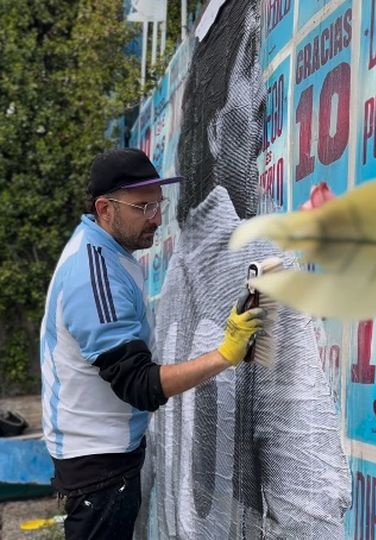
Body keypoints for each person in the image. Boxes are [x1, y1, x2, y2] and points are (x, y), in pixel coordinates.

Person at [40, 148, 265, 540]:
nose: (157, 218)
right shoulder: (94, 276)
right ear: (105, 209)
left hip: (103, 451)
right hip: (98, 463)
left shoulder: (110, 250)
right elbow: (140, 385)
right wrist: (225, 354)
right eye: (142, 208)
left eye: (158, 205)